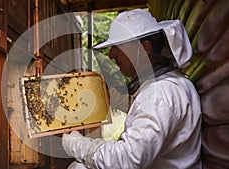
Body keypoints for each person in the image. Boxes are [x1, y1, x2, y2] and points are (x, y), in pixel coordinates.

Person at [62, 9, 202, 169]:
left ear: (145, 48)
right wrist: (105, 93)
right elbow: (142, 109)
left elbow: (126, 161)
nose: (111, 54)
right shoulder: (165, 85)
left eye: (118, 46)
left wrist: (74, 143)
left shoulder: (160, 95)